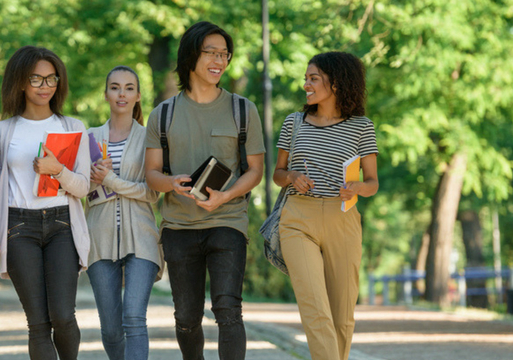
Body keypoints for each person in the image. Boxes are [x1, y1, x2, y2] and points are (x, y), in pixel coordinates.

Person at [144, 21, 265, 359]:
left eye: (224, 54)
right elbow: (151, 173)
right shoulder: (163, 114)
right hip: (179, 227)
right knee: (186, 318)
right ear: (190, 57)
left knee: (228, 310)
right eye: (211, 52)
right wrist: (171, 183)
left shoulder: (243, 110)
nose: (219, 60)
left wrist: (225, 195)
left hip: (228, 220)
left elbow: (255, 170)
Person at [0, 45, 90, 360]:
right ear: (20, 83)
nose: (46, 86)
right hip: (18, 228)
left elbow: (83, 187)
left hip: (61, 225)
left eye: (51, 79)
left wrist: (57, 171)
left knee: (63, 315)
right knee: (39, 324)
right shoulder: (1, 132)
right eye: (36, 79)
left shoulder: (73, 127)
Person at [273, 51, 378, 360]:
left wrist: (358, 186)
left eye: (313, 78)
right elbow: (277, 174)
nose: (306, 83)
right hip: (297, 218)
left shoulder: (361, 126)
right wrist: (291, 176)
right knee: (315, 309)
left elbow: (372, 182)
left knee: (342, 316)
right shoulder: (293, 122)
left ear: (336, 83)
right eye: (306, 78)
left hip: (342, 219)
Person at [85, 66, 162, 360]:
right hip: (99, 239)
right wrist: (91, 180)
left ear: (138, 96)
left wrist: (110, 180)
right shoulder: (89, 138)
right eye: (115, 87)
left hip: (141, 239)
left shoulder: (149, 139)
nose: (122, 93)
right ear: (106, 94)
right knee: (111, 330)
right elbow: (79, 192)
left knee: (134, 319)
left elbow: (153, 192)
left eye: (129, 88)